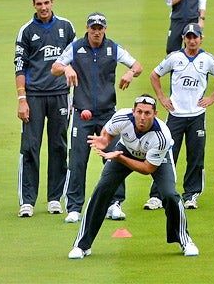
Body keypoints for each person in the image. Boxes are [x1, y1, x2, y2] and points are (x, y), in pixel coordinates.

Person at [68, 95, 198, 259]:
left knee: (170, 194)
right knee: (102, 189)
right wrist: (104, 141)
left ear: (155, 114)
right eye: (139, 112)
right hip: (124, 149)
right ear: (133, 111)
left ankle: (185, 240)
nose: (142, 117)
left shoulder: (162, 135)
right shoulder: (122, 117)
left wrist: (119, 158)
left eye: (147, 113)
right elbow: (108, 133)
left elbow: (147, 168)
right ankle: (82, 245)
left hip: (155, 159)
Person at [51, 12, 142, 224]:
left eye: (100, 28)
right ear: (87, 28)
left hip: (108, 114)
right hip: (82, 113)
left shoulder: (113, 48)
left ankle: (114, 204)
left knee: (114, 158)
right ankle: (74, 207)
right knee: (78, 160)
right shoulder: (76, 47)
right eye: (93, 27)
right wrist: (67, 67)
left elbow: (137, 66)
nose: (96, 32)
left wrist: (130, 73)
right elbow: (55, 67)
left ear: (105, 29)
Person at [149, 23, 214, 210]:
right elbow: (155, 75)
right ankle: (157, 195)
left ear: (201, 38)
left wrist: (212, 98)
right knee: (166, 154)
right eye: (189, 37)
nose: (192, 40)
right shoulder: (175, 57)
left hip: (197, 115)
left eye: (195, 37)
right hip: (175, 115)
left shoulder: (207, 59)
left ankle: (191, 195)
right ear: (184, 38)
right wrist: (161, 97)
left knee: (195, 156)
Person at [14, 0, 76, 217]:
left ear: (52, 2)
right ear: (34, 5)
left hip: (60, 95)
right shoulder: (26, 31)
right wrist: (22, 99)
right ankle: (27, 201)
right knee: (30, 147)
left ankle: (54, 198)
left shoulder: (66, 27)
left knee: (59, 146)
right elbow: (20, 67)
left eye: (47, 3)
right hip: (34, 96)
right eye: (39, 4)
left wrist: (75, 96)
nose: (43, 7)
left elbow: (75, 59)